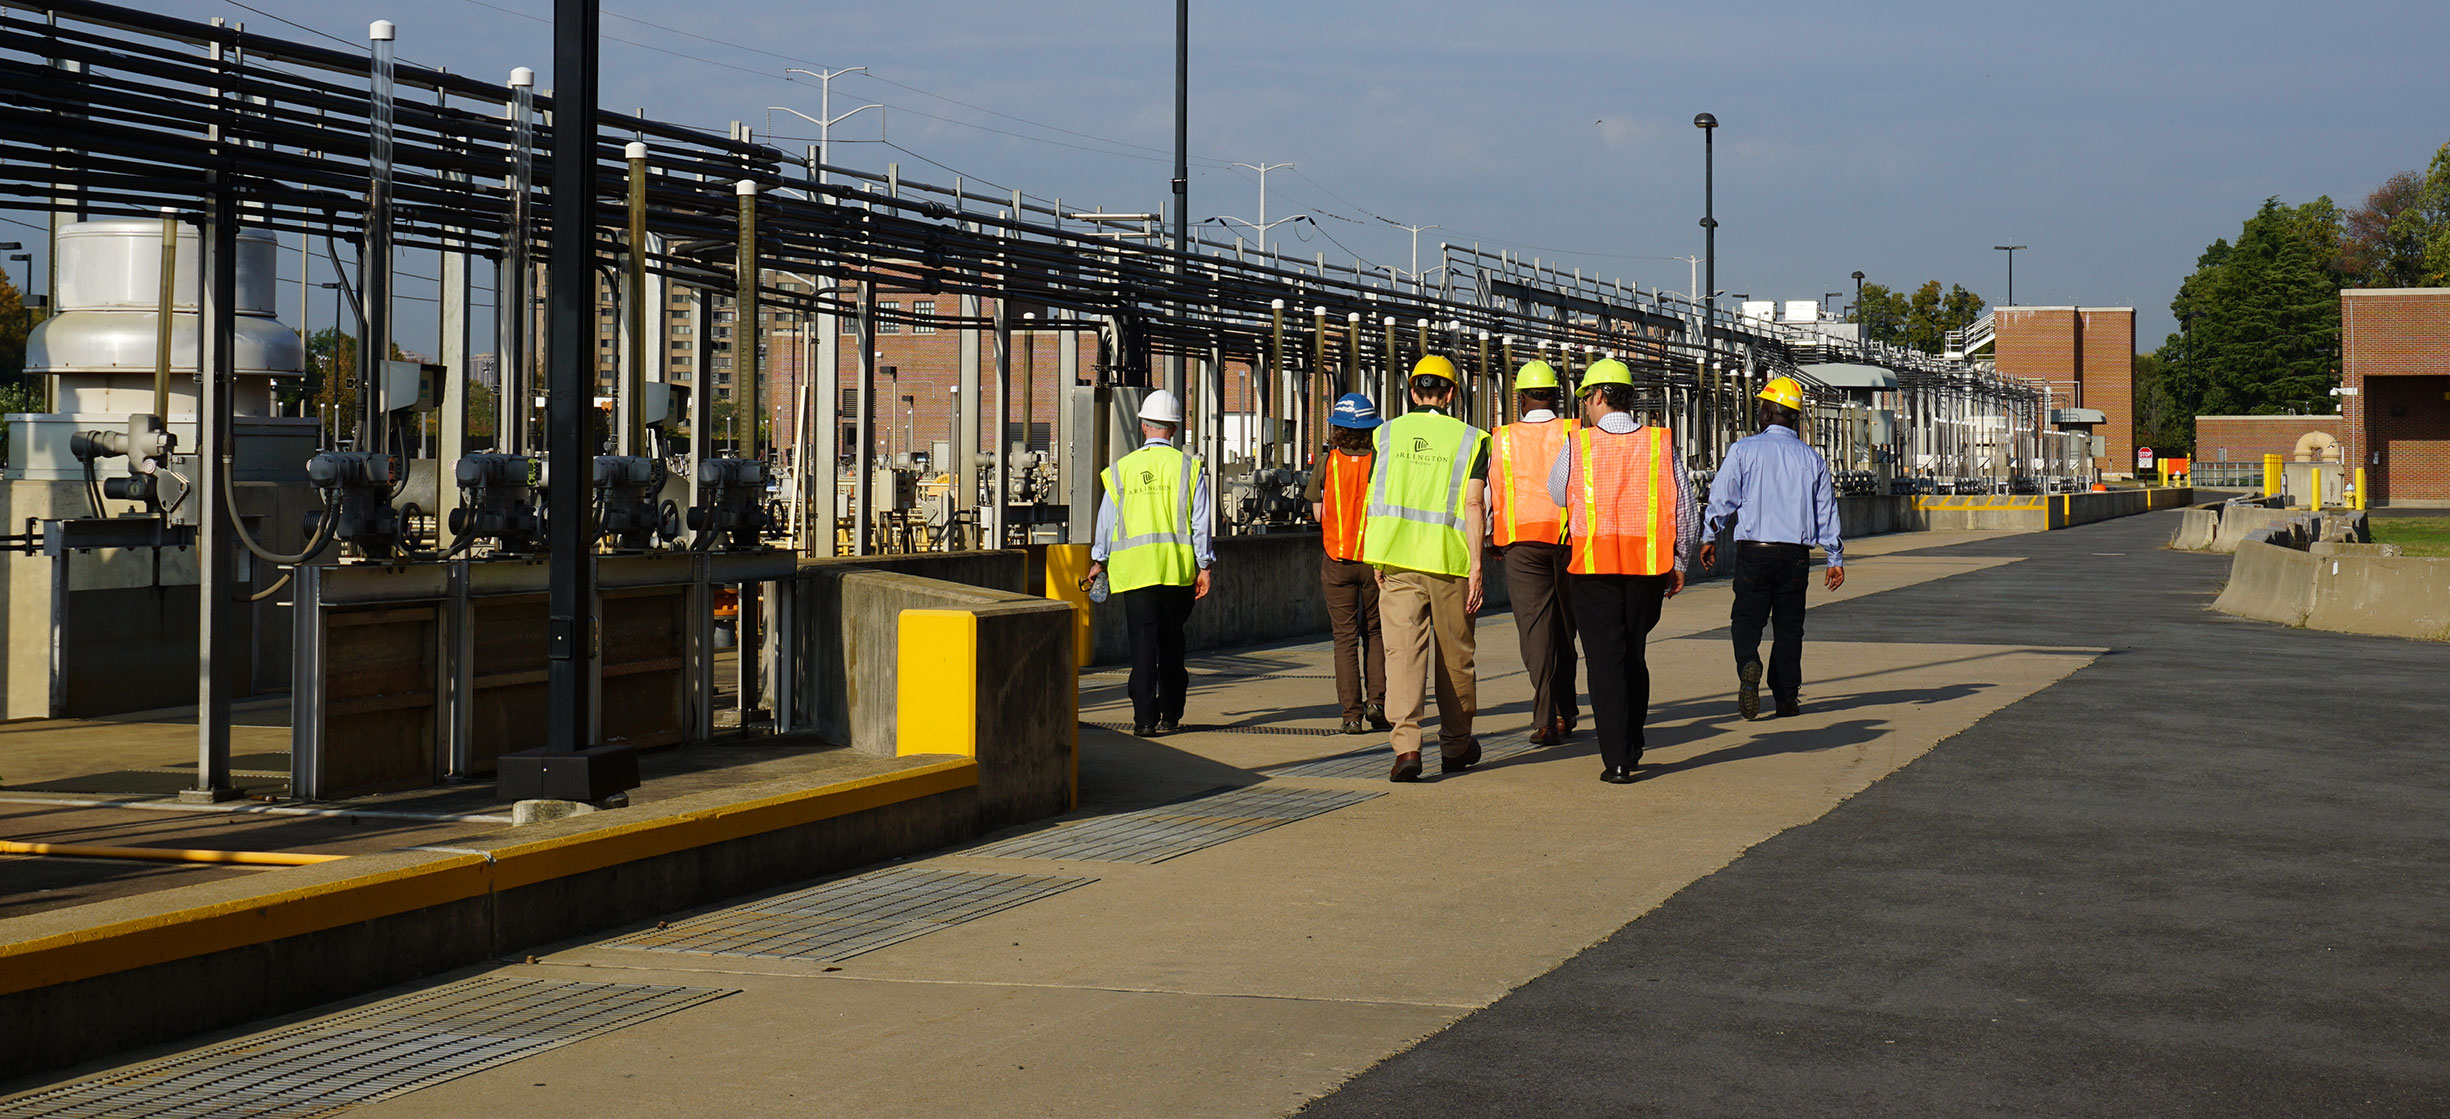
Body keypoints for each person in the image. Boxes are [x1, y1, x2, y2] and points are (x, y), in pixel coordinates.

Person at [1548, 359, 1700, 784]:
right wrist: (1680, 561)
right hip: (1645, 569)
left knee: (1604, 662)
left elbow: (1557, 493)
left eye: (1586, 397)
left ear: (1598, 395)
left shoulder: (1578, 444)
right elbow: (1685, 507)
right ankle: (1633, 743)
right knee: (1633, 652)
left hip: (1593, 568)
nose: (1585, 405)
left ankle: (1617, 758)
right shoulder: (1659, 444)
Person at [1364, 356, 1490, 783]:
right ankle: (1455, 745)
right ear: (1451, 394)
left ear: (1412, 390)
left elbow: (1375, 497)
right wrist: (1476, 564)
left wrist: (1377, 557)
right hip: (1449, 562)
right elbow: (1474, 503)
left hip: (1396, 559)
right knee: (1455, 656)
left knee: (1402, 655)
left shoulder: (1386, 434)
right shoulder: (1471, 439)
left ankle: (1406, 748)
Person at [1699, 375, 1845, 722]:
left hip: (1754, 551)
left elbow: (1722, 499)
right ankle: (1786, 697)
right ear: (1795, 417)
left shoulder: (1744, 450)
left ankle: (1749, 662)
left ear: (1766, 413)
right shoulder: (1812, 459)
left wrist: (1709, 536)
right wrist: (1834, 557)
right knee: (1789, 627)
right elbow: (1826, 512)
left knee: (1745, 619)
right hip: (1794, 556)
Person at [1084, 389, 1214, 737]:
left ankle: (1144, 719)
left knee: (1142, 647)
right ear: (1174, 429)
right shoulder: (1188, 467)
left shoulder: (1122, 469)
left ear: (1143, 426)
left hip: (1134, 573)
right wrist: (1204, 566)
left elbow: (1106, 522)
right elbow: (1200, 523)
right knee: (1171, 643)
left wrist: (1099, 561)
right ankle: (1171, 712)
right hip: (1176, 571)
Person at [1488, 360, 1580, 747]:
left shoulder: (1502, 438)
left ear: (1521, 398)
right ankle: (1566, 710)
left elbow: (1491, 490)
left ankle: (1547, 718)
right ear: (1555, 397)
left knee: (1535, 631)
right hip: (1570, 541)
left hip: (1522, 543)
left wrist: (1491, 537)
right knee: (1566, 629)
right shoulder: (1576, 432)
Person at [1305, 392, 1392, 735]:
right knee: (1376, 633)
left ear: (1337, 429)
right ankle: (1377, 704)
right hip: (1374, 561)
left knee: (1344, 639)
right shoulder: (1380, 461)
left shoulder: (1327, 462)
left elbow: (1317, 512)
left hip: (1337, 559)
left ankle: (1351, 716)